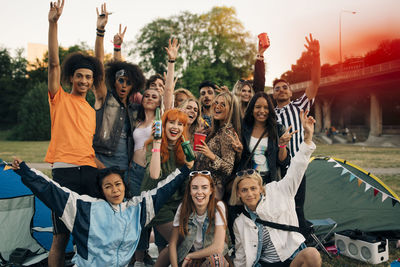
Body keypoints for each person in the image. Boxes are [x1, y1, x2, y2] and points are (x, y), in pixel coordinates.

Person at [11, 158, 192, 267]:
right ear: (102, 191)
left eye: (118, 184)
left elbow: (164, 189)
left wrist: (185, 170)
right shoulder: (86, 208)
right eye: (108, 186)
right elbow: (52, 191)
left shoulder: (137, 209)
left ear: (124, 186)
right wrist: (26, 172)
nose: (114, 190)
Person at [45, 1, 104, 266]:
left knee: (87, 234)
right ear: (72, 78)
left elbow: (88, 147)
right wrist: (53, 23)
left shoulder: (91, 110)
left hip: (89, 172)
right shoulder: (59, 98)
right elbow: (54, 64)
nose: (84, 81)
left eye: (88, 77)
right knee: (61, 236)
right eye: (79, 76)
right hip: (64, 171)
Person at [229, 110, 322, 267]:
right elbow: (241, 255)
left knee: (312, 254)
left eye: (253, 188)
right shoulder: (240, 222)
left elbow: (297, 167)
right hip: (265, 264)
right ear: (238, 194)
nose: (250, 193)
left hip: (291, 258)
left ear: (261, 188)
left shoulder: (279, 191)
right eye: (244, 190)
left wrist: (307, 138)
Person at [254, 33, 321, 228]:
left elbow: (315, 83)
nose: (281, 90)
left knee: (297, 205)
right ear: (272, 94)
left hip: (296, 162)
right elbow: (258, 89)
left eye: (285, 88)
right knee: (275, 201)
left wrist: (315, 56)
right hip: (275, 164)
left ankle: (299, 236)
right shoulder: (269, 113)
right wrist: (260, 56)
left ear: (291, 92)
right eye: (277, 89)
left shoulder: (300, 106)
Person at [93, 4, 146, 173]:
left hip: (125, 168)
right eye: (121, 81)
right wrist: (100, 32)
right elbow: (99, 66)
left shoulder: (134, 109)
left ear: (134, 86)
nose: (124, 85)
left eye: (129, 83)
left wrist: (118, 49)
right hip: (101, 163)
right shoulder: (104, 98)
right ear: (114, 81)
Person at [140, 109, 192, 267]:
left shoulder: (183, 150)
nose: (175, 126)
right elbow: (155, 175)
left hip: (174, 205)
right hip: (155, 203)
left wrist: (191, 166)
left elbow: (185, 186)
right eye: (171, 122)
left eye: (180, 124)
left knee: (170, 246)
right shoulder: (153, 145)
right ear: (163, 124)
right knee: (181, 242)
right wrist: (156, 142)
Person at [169, 170, 229, 267]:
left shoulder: (218, 206)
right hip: (189, 260)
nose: (199, 192)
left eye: (204, 187)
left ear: (211, 190)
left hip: (209, 257)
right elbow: (172, 244)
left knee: (217, 260)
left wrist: (191, 255)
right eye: (195, 188)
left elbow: (218, 247)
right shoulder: (183, 207)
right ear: (189, 191)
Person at [194, 91, 242, 200]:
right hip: (202, 186)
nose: (217, 107)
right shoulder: (215, 130)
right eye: (216, 103)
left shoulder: (227, 132)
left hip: (213, 190)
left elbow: (228, 168)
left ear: (231, 110)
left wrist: (210, 155)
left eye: (223, 104)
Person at [239, 92, 293, 184]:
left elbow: (283, 162)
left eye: (266, 107)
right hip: (249, 180)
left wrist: (282, 146)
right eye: (258, 107)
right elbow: (241, 158)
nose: (262, 111)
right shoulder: (244, 128)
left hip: (271, 180)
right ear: (252, 109)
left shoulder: (279, 129)